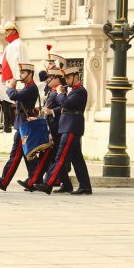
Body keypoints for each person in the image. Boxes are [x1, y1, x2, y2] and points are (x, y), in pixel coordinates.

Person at [34, 67, 92, 195]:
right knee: (77, 160)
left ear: (76, 76)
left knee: (60, 156)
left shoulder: (80, 91)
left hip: (71, 127)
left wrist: (60, 93)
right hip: (67, 127)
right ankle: (85, 186)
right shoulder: (74, 91)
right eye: (65, 78)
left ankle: (48, 184)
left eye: (68, 77)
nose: (66, 80)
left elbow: (66, 103)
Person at [18, 68, 73, 193]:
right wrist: (37, 118)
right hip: (48, 127)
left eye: (50, 77)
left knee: (47, 157)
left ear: (57, 79)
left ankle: (33, 182)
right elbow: (46, 109)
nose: (47, 79)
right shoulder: (52, 91)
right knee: (51, 158)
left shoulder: (60, 91)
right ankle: (66, 184)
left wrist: (52, 111)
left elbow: (64, 106)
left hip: (54, 129)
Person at [0, 63, 39, 192]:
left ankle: (4, 181)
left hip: (24, 126)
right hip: (22, 124)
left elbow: (13, 96)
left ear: (30, 74)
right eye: (21, 73)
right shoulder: (27, 88)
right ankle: (34, 180)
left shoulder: (31, 88)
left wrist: (10, 87)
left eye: (23, 73)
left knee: (15, 155)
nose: (21, 75)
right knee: (28, 156)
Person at [0, 21, 28, 133]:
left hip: (14, 77)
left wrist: (18, 79)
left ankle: (7, 123)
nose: (5, 33)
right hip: (5, 76)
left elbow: (21, 62)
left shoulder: (19, 44)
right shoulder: (10, 45)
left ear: (13, 31)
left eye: (7, 30)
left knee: (1, 90)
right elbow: (2, 62)